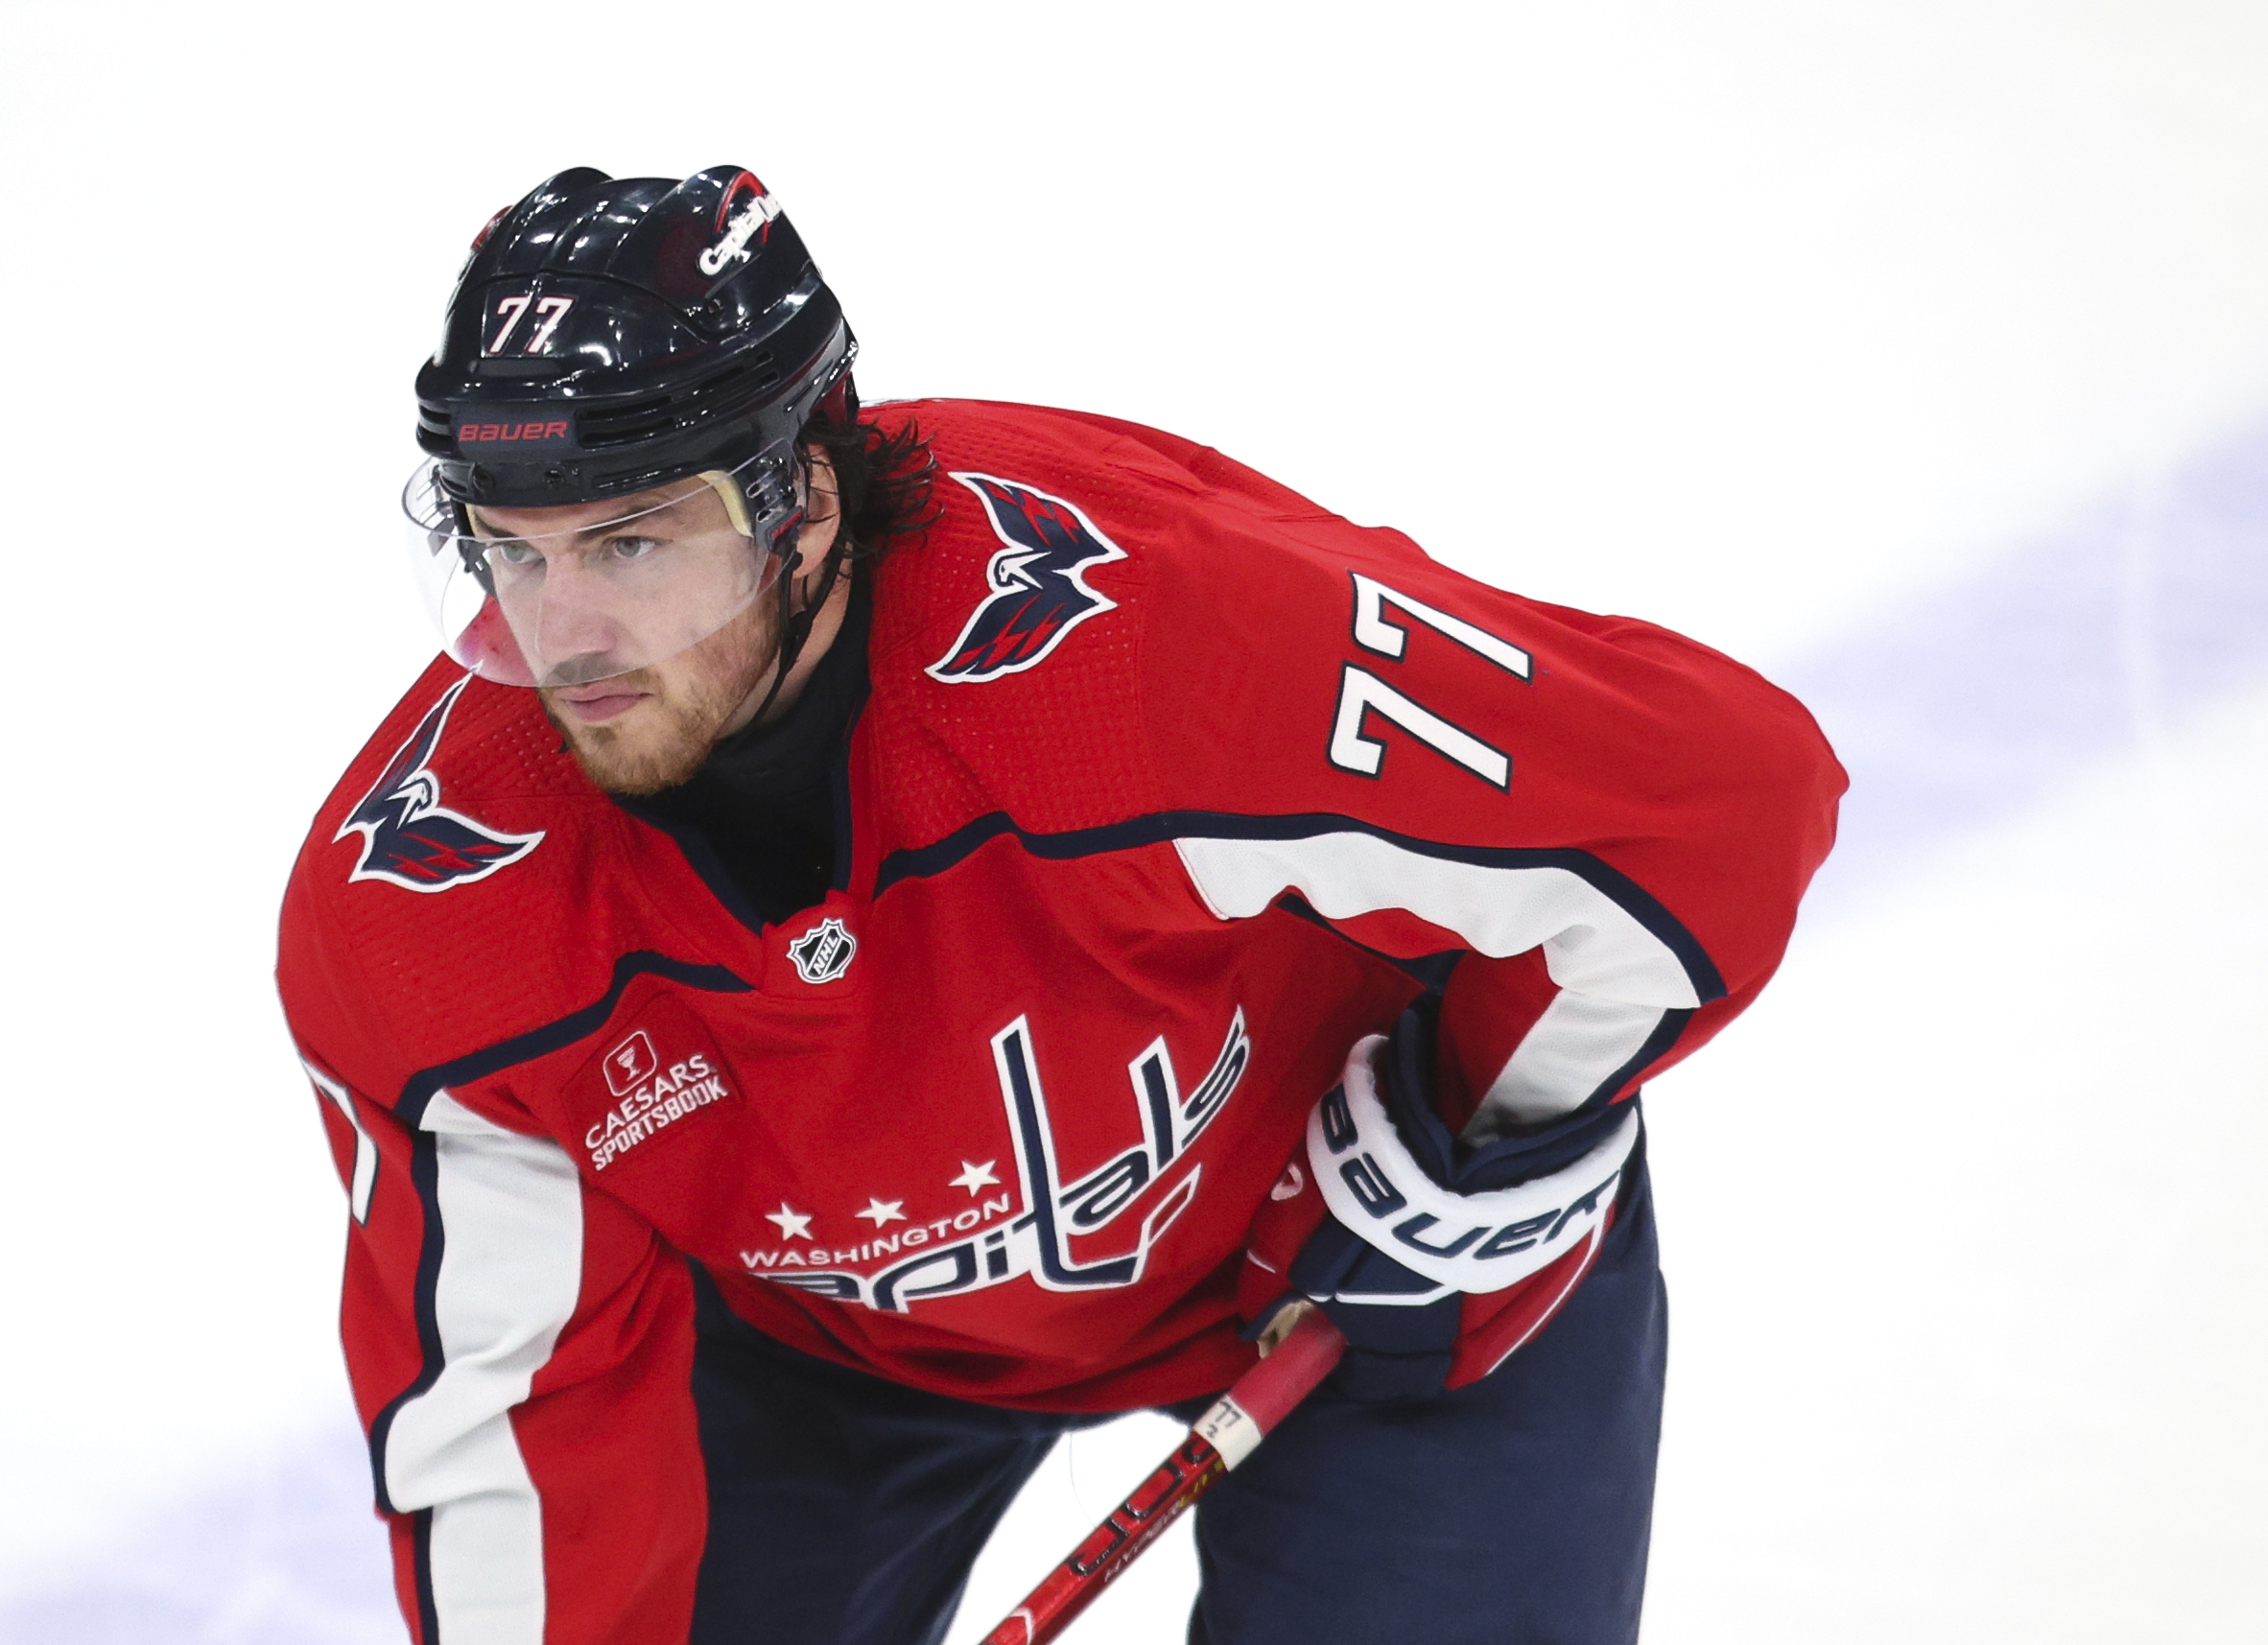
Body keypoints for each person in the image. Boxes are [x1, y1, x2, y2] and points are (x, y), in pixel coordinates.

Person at [278, 164, 1844, 1645]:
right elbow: (510, 1441)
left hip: (1352, 1241)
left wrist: (1492, 1125)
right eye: (512, 551)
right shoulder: (423, 916)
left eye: (631, 539)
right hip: (822, 1349)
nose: (566, 634)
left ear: (802, 504)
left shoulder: (1150, 642)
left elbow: (1718, 798)